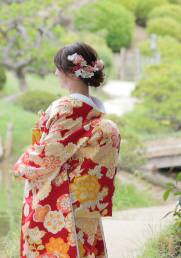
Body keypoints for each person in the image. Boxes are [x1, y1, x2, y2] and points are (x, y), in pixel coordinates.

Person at [14, 42, 121, 258]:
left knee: (63, 247)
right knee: (85, 246)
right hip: (84, 197)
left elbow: (48, 154)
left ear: (72, 72)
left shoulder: (67, 109)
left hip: (65, 198)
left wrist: (21, 166)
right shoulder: (94, 110)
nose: (55, 73)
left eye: (58, 68)